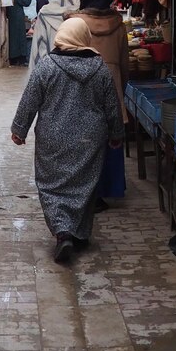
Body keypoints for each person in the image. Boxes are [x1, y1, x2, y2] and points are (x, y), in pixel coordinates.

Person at [11, 17, 124, 263]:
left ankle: (64, 233)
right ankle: (79, 233)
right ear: (84, 37)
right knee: (85, 185)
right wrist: (117, 134)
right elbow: (112, 106)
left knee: (52, 186)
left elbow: (30, 99)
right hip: (90, 140)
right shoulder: (99, 68)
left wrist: (19, 130)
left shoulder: (47, 66)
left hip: (53, 138)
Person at [68, 0, 130, 210]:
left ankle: (84, 191)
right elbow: (125, 62)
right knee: (110, 137)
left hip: (83, 84)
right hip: (111, 82)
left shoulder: (74, 23)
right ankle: (108, 189)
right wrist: (121, 87)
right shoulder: (118, 24)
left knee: (84, 141)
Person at [29, 0, 79, 71]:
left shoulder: (44, 13)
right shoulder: (81, 6)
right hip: (81, 70)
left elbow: (37, 51)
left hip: (54, 73)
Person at [6, 0, 32, 66]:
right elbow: (27, 3)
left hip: (12, 22)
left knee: (13, 40)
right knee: (21, 40)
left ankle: (13, 58)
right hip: (19, 23)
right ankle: (21, 58)